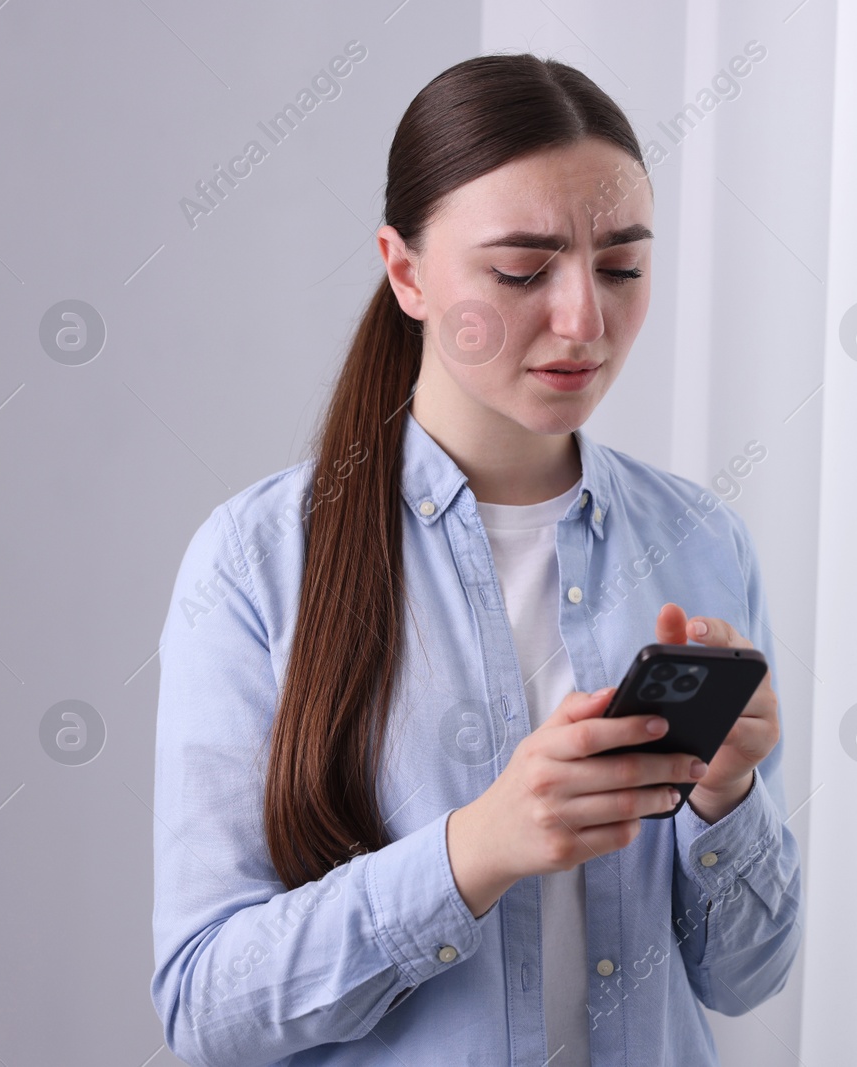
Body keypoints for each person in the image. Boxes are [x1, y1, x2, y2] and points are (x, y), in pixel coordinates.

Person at [148, 52, 802, 1067]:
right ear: (405, 271)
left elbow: (746, 976)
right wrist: (474, 850)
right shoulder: (257, 561)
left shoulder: (702, 542)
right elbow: (206, 1010)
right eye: (520, 270)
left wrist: (728, 797)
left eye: (623, 265)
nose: (584, 319)